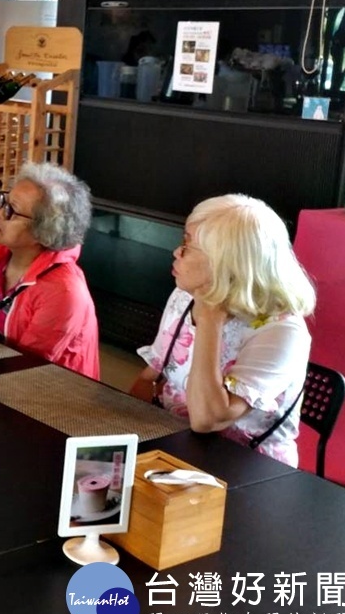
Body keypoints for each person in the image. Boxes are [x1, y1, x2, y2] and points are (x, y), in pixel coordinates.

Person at [128, 194, 315, 466]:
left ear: (224, 262)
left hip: (243, 467)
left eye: (187, 245)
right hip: (176, 443)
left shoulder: (282, 331)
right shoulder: (186, 296)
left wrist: (210, 322)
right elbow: (151, 376)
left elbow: (207, 420)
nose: (176, 252)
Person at [0, 162, 99, 379]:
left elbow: (24, 371)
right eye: (3, 202)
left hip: (47, 397)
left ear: (44, 231)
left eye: (12, 211)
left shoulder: (64, 292)